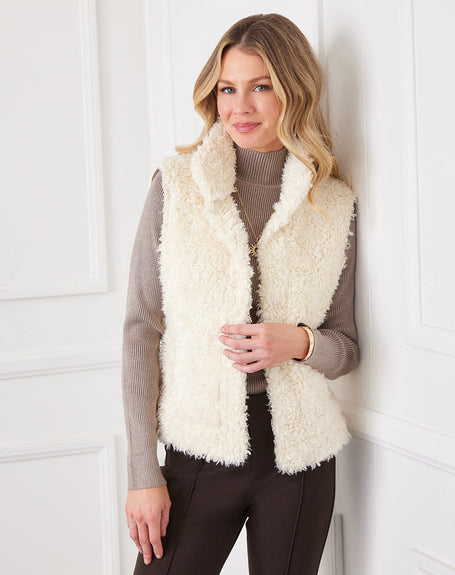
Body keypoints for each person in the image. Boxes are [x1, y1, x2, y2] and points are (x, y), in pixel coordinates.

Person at [122, 13, 359, 575]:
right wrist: (142, 472)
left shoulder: (332, 203)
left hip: (299, 457)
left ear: (294, 92)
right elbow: (141, 331)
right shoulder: (176, 186)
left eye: (261, 87)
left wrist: (298, 342)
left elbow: (346, 348)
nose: (240, 107)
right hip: (199, 448)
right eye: (228, 89)